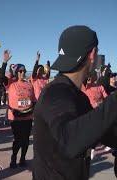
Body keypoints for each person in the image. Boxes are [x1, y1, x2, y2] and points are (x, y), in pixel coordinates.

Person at [33, 25, 117, 180]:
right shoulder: (56, 92)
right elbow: (70, 140)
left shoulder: (77, 96)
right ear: (93, 54)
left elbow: (100, 132)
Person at [1, 51, 36, 168]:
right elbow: (0, 76)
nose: (23, 73)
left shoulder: (29, 85)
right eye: (20, 71)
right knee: (18, 139)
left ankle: (22, 158)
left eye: (24, 71)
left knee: (26, 140)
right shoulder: (11, 83)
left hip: (28, 116)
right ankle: (14, 157)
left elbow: (34, 100)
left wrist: (36, 110)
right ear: (16, 73)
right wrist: (5, 62)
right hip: (16, 117)